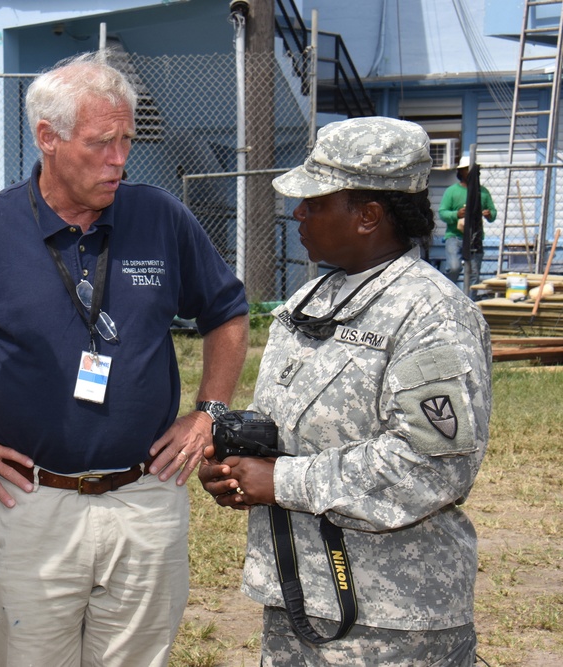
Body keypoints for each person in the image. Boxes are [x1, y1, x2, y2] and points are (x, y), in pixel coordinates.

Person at [0, 52, 250, 666]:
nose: (120, 159)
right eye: (101, 143)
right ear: (48, 139)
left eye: (126, 140)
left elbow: (226, 312)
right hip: (31, 503)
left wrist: (209, 413)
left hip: (144, 497)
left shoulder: (160, 217)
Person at [199, 117, 492, 666]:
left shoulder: (433, 315)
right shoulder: (309, 302)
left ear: (368, 215)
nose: (298, 212)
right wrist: (235, 466)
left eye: (315, 201)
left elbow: (431, 465)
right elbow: (282, 424)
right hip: (298, 598)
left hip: (392, 619)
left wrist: (280, 480)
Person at [439, 154, 497, 288]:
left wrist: (489, 214)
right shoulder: (452, 191)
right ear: (460, 172)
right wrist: (456, 214)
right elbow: (442, 213)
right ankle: (447, 292)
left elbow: (493, 213)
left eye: (474, 170)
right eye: (467, 169)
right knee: (454, 267)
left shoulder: (483, 192)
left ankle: (471, 302)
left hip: (475, 237)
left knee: (473, 274)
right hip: (455, 236)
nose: (471, 173)